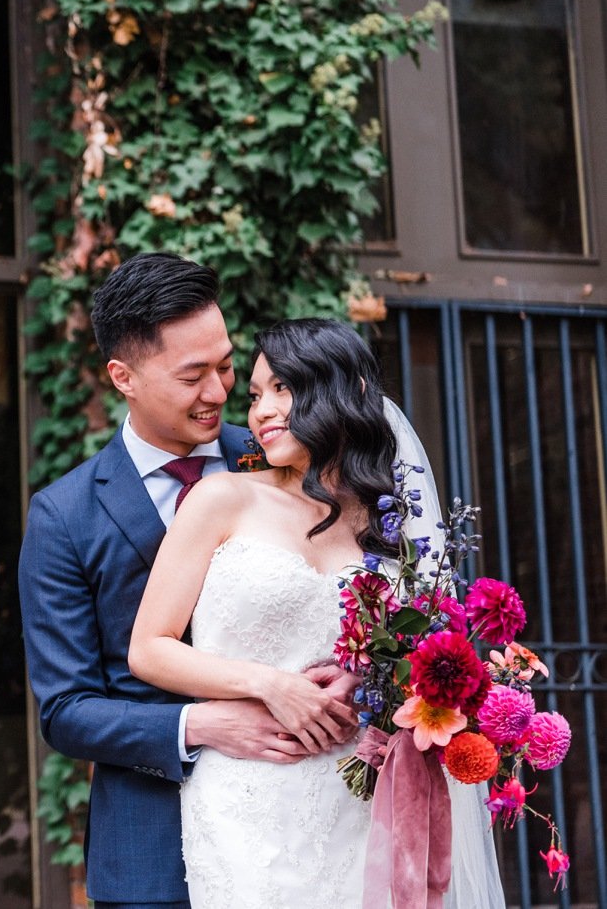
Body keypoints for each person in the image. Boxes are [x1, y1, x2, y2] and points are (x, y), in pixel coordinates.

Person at [128, 317, 505, 907]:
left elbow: (418, 648)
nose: (261, 411)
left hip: (359, 793)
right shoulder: (222, 499)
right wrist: (272, 686)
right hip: (249, 794)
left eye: (283, 388)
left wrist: (366, 675)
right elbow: (149, 648)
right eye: (255, 395)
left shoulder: (386, 526)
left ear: (337, 394)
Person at [17, 255, 355, 908]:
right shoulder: (65, 516)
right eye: (192, 375)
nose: (219, 390)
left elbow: (350, 585)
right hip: (152, 853)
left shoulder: (283, 455)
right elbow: (66, 711)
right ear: (124, 376)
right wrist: (202, 724)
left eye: (225, 364)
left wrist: (353, 670)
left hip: (308, 826)